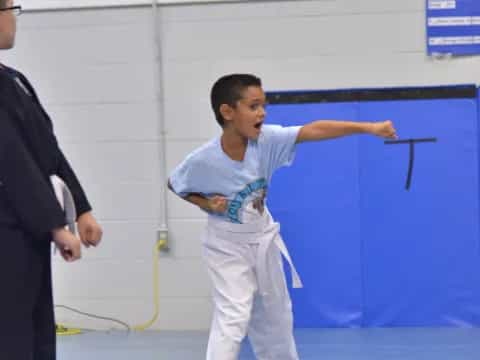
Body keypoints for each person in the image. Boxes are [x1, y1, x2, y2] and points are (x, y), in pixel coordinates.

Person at [169, 73, 397, 360]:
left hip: (262, 239)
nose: (262, 112)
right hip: (226, 246)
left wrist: (368, 127)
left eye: (263, 105)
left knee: (276, 320)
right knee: (234, 315)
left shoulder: (267, 141)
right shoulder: (203, 160)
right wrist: (207, 204)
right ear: (227, 112)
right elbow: (175, 185)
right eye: (253, 106)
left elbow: (313, 130)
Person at [0, 1, 103, 359]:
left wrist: (81, 208)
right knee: (10, 333)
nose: (14, 18)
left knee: (35, 330)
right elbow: (12, 162)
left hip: (27, 232)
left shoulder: (13, 80)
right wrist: (57, 226)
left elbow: (46, 150)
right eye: (9, 9)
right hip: (7, 229)